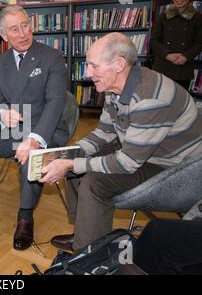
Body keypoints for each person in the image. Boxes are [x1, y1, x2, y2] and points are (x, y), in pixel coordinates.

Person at [41, 32, 202, 253]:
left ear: (118, 65)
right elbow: (104, 133)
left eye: (93, 66)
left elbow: (128, 163)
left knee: (93, 182)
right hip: (148, 152)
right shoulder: (115, 88)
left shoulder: (148, 99)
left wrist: (71, 164)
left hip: (175, 168)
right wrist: (71, 153)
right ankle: (87, 233)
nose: (87, 73)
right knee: (76, 160)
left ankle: (87, 252)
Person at [0, 5, 68, 251]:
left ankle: (25, 217)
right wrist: (0, 112)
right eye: (13, 29)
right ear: (3, 36)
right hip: (12, 131)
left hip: (45, 130)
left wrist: (34, 139)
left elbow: (56, 103)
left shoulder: (51, 57)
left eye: (25, 25)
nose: (22, 33)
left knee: (30, 155)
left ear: (31, 25)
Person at [150, 0, 202, 90]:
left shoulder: (197, 18)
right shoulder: (163, 16)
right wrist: (167, 55)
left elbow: (199, 43)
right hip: (162, 66)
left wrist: (186, 56)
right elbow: (154, 41)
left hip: (183, 68)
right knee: (159, 102)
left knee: (180, 103)